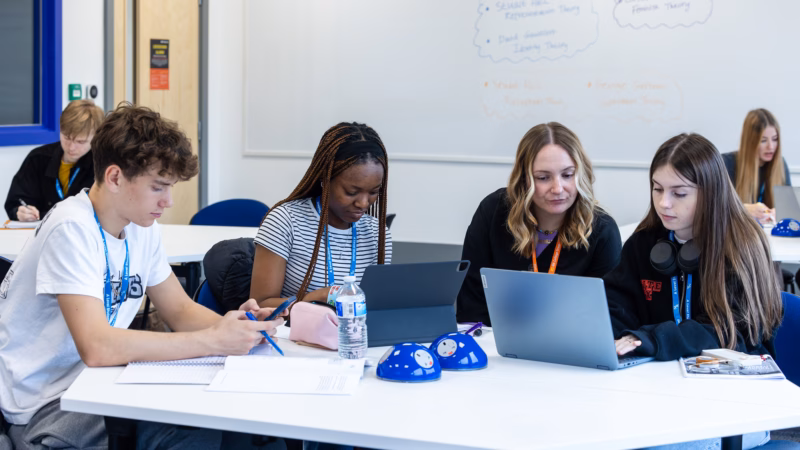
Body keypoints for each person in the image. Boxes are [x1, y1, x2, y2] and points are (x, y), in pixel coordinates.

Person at [0, 104, 283, 450]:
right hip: (44, 404)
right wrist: (214, 341)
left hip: (98, 381)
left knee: (224, 418)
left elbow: (179, 310)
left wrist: (237, 329)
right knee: (194, 427)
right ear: (115, 177)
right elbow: (97, 347)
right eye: (158, 187)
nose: (169, 201)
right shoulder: (71, 228)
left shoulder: (140, 225)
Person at [456, 122, 622, 326]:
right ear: (524, 179)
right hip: (494, 344)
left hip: (568, 347)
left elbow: (607, 316)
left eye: (568, 175)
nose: (558, 188)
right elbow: (471, 304)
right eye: (543, 178)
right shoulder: (492, 212)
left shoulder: (602, 230)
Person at [250, 122, 392, 308]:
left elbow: (378, 304)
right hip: (292, 335)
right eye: (351, 192)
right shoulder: (285, 221)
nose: (363, 203)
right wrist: (314, 298)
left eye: (374, 192)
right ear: (325, 180)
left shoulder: (377, 233)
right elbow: (260, 306)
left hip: (354, 334)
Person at [4, 99, 105, 222]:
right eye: (66, 137)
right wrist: (19, 211)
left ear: (95, 138)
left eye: (80, 141)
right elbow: (14, 202)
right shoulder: (38, 159)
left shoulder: (102, 165)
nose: (71, 147)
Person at [722, 108, 791, 224]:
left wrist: (781, 213)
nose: (771, 147)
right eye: (763, 140)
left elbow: (791, 210)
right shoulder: (727, 163)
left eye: (775, 139)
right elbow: (713, 207)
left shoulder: (781, 165)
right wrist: (743, 209)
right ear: (750, 142)